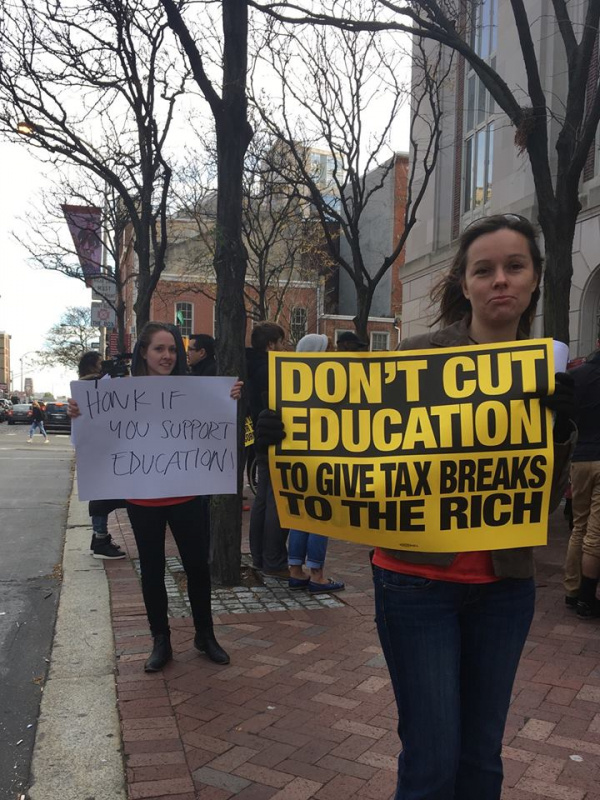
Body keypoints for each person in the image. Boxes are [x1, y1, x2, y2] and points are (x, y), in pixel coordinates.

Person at [255, 214, 576, 800]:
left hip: (505, 586)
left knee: (482, 757)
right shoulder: (418, 354)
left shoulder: (551, 372)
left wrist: (564, 428)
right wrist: (288, 436)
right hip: (415, 583)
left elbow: (544, 499)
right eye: (484, 269)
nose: (500, 280)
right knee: (431, 758)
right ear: (465, 283)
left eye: (514, 266)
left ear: (534, 279)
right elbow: (366, 447)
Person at [70, 323, 242, 673]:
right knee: (151, 570)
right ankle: (160, 639)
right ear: (143, 353)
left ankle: (204, 635)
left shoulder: (196, 391)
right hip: (143, 499)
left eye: (173, 349)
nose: (167, 356)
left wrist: (232, 400)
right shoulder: (119, 393)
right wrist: (80, 417)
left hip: (187, 496)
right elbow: (90, 442)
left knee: (197, 567)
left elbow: (213, 431)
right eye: (159, 349)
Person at [287, 334, 345, 594]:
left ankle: (295, 570)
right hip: (323, 454)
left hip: (297, 455)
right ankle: (317, 575)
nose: (333, 352)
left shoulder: (292, 382)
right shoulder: (327, 383)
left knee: (300, 512)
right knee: (321, 513)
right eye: (328, 348)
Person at [246, 321, 290, 578]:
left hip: (260, 439)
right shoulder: (270, 371)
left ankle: (259, 557)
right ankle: (274, 561)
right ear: (271, 344)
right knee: (277, 501)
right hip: (276, 438)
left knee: (263, 499)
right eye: (282, 342)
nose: (284, 347)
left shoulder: (250, 367)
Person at [562, 339, 600, 617]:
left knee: (579, 526)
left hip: (580, 458)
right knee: (596, 533)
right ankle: (587, 599)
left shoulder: (577, 376)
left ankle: (572, 590)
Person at [77, 350, 126, 560]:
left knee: (102, 494)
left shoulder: (89, 386)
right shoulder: (92, 386)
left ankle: (99, 537)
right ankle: (100, 539)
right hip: (100, 450)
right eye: (100, 364)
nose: (104, 367)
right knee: (101, 496)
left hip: (98, 449)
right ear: (92, 366)